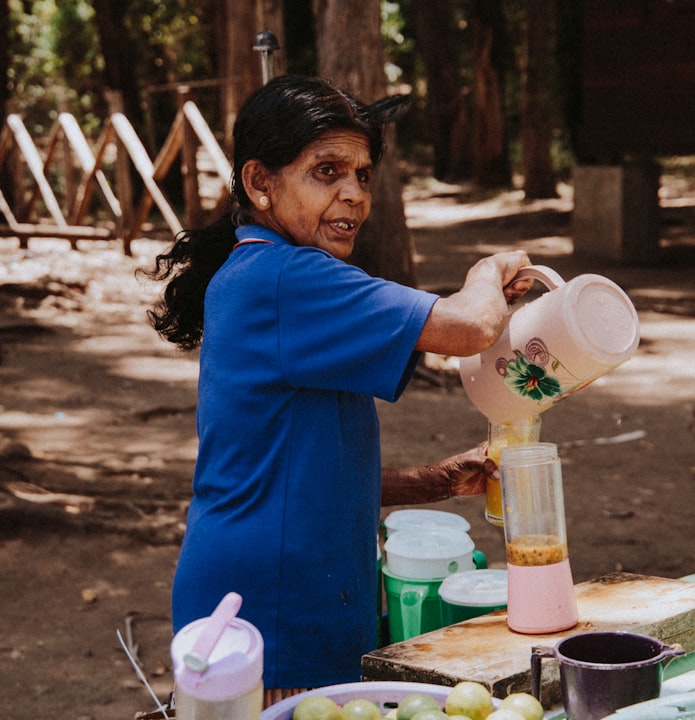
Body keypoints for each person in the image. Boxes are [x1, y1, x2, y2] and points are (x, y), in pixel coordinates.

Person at [144, 74, 532, 702]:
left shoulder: (269, 273)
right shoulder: (286, 276)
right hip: (269, 609)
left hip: (287, 594)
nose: (353, 195)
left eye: (363, 175)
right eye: (327, 172)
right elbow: (470, 327)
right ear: (259, 183)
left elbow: (303, 471)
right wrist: (488, 272)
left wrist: (439, 479)